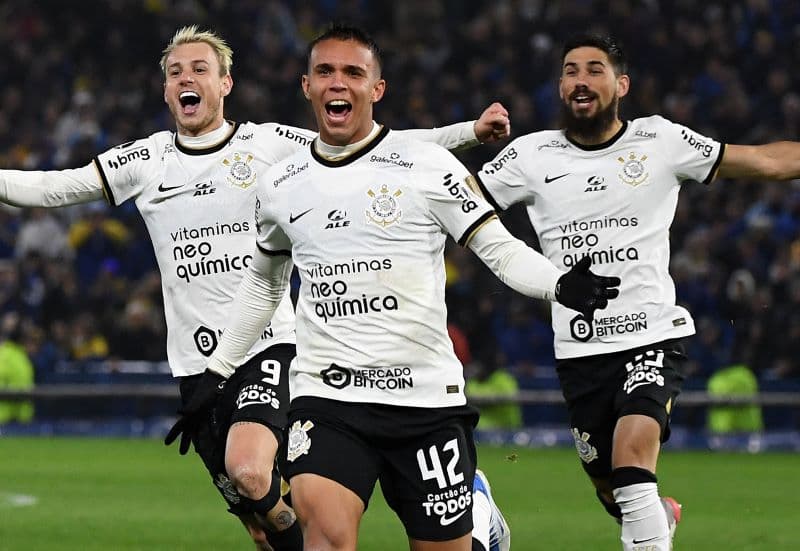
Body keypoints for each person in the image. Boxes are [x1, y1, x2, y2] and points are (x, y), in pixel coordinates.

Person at [0, 24, 518, 551]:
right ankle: (472, 519)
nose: (187, 79)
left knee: (248, 470)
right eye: (176, 72)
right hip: (196, 367)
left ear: (225, 83)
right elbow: (53, 185)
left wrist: (468, 132)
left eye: (200, 69)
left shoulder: (268, 145)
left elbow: (382, 147)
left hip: (269, 343)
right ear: (164, 90)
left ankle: (454, 505)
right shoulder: (146, 161)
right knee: (265, 528)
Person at [172, 23, 619, 550]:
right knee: (325, 539)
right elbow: (265, 286)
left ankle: (479, 519)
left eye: (353, 73)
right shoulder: (280, 184)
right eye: (325, 72)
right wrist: (218, 371)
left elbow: (498, 248)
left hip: (423, 401)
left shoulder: (426, 165)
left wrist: (559, 283)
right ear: (307, 86)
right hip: (327, 397)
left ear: (376, 89)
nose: (338, 83)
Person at [475, 33, 800, 551]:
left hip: (651, 336)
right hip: (580, 349)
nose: (581, 79)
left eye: (594, 69)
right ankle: (657, 516)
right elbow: (458, 204)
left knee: (631, 459)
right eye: (571, 71)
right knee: (615, 491)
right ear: (561, 87)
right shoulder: (529, 156)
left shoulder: (659, 141)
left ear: (621, 84)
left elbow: (763, 160)